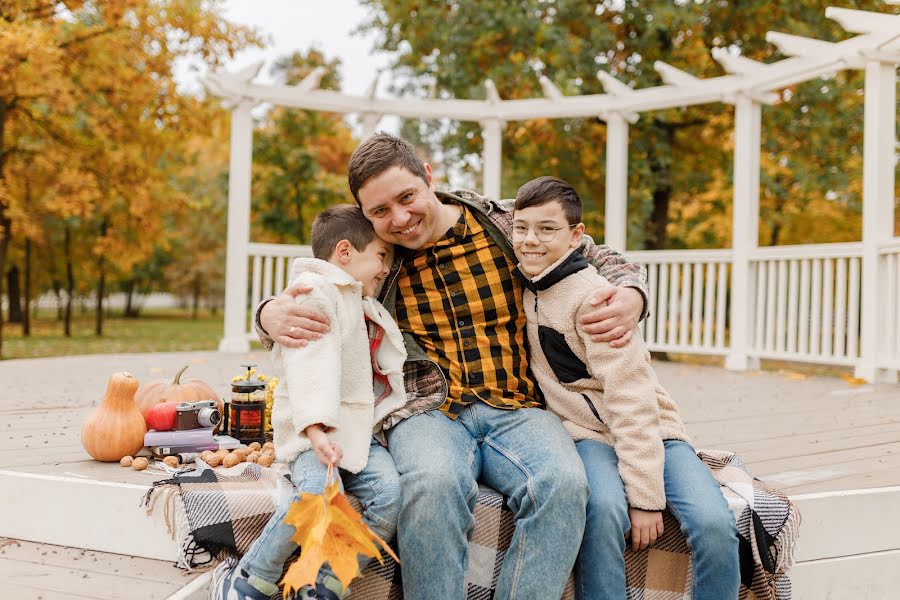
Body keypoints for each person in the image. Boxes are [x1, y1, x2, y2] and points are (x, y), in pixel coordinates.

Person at [255, 133, 650, 599]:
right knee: (432, 485)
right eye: (380, 212)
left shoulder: (502, 223)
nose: (399, 219)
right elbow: (317, 283)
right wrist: (267, 313)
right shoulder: (381, 254)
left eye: (407, 198)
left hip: (518, 405)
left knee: (563, 484)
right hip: (427, 411)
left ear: (428, 177)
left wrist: (632, 294)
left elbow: (598, 256)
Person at [511, 176, 740, 600]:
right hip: (587, 436)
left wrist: (646, 498)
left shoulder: (598, 301)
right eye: (521, 228)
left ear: (576, 236)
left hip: (654, 432)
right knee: (601, 510)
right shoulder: (525, 283)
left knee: (713, 523)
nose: (530, 240)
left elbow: (631, 401)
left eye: (547, 229)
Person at [212, 205, 409, 600]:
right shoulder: (316, 292)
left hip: (355, 435)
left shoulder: (355, 296)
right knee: (316, 494)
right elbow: (309, 364)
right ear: (345, 252)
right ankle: (253, 576)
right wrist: (317, 430)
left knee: (392, 495)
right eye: (381, 256)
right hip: (313, 430)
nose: (385, 267)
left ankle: (327, 582)